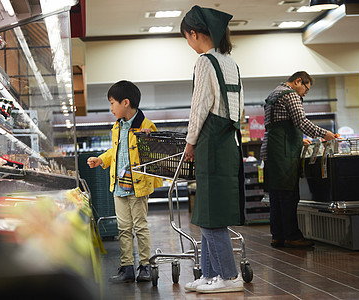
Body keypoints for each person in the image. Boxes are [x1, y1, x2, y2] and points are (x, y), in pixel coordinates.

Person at [181, 5, 245, 294]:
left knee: (212, 214)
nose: (188, 43)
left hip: (210, 145)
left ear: (194, 34)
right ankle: (209, 275)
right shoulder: (231, 62)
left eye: (187, 37)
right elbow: (239, 110)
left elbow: (200, 107)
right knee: (209, 211)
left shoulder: (206, 61)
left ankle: (229, 277)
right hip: (228, 143)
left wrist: (190, 142)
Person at [87, 80, 163, 283]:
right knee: (123, 228)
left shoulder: (146, 126)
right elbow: (116, 150)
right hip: (119, 185)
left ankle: (145, 266)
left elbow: (157, 153)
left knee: (140, 226)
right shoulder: (117, 127)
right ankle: (127, 267)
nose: (111, 108)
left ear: (126, 103)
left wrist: (149, 139)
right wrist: (102, 159)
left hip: (138, 186)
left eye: (112, 103)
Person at [260, 71, 337, 248]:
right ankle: (292, 236)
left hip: (272, 150)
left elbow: (278, 124)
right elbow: (302, 122)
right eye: (306, 90)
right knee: (288, 195)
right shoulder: (290, 95)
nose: (304, 94)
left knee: (276, 197)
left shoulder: (274, 93)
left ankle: (277, 236)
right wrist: (325, 134)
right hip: (283, 152)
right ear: (298, 81)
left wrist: (297, 139)